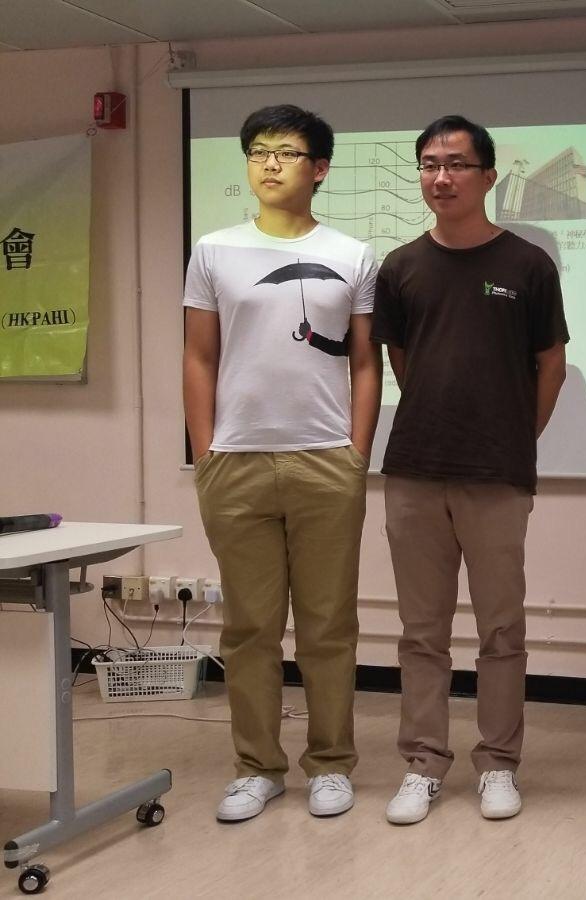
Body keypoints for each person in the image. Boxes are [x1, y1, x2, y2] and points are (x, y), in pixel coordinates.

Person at [183, 104, 379, 822]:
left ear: (319, 168)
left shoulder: (353, 255)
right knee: (249, 628)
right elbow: (199, 355)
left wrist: (356, 454)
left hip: (326, 461)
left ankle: (330, 763)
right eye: (258, 151)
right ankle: (256, 767)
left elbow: (365, 363)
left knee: (328, 625)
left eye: (286, 153)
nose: (269, 164)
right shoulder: (213, 250)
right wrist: (205, 451)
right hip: (234, 461)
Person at [370, 115, 569, 825]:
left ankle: (498, 764)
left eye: (456, 164)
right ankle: (424, 763)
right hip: (415, 471)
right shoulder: (399, 267)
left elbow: (553, 364)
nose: (441, 177)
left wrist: (516, 434)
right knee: (421, 632)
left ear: (488, 176)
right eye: (428, 164)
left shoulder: (528, 265)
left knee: (500, 631)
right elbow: (402, 364)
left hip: (496, 475)